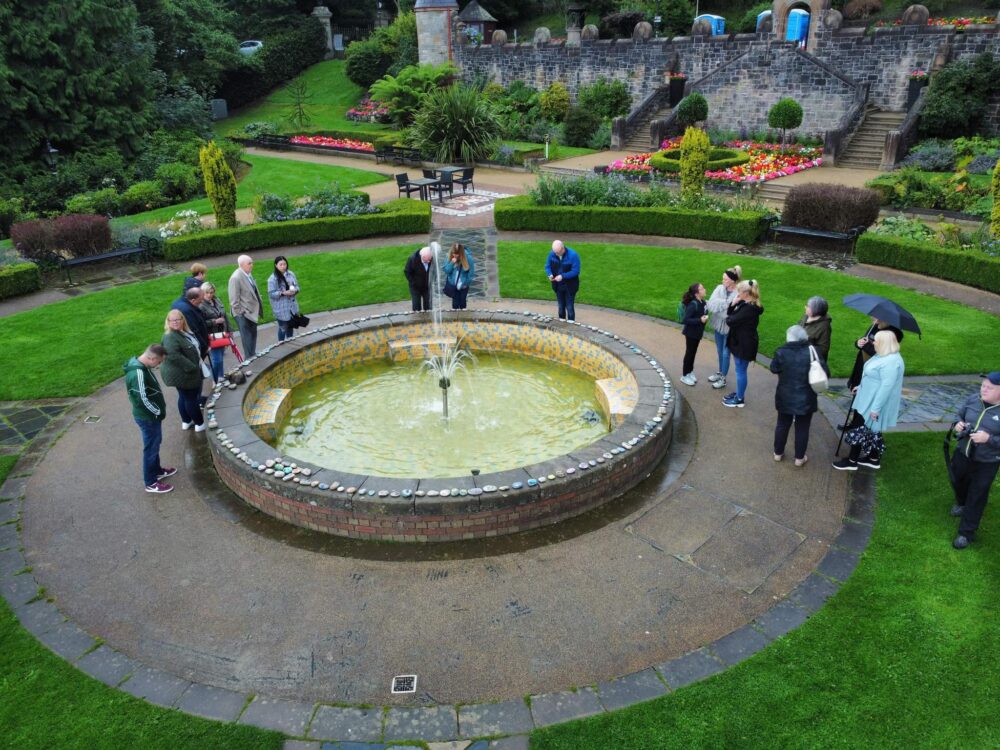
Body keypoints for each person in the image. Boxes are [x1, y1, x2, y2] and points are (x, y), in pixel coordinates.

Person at [833, 330, 904, 471]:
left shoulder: (891, 362)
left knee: (859, 428)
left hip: (872, 403)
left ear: (884, 343)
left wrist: (875, 409)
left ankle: (852, 461)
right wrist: (860, 387)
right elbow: (871, 375)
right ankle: (873, 459)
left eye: (875, 341)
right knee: (870, 430)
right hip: (867, 398)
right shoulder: (883, 355)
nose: (873, 343)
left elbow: (886, 387)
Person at [949, 371, 1000, 550]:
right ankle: (962, 503)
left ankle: (966, 533)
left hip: (986, 463)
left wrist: (988, 439)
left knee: (977, 495)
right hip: (962, 454)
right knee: (957, 481)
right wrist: (958, 424)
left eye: (989, 388)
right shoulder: (973, 399)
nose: (983, 390)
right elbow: (958, 416)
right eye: (983, 385)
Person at [770, 325, 829, 466]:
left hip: (785, 395)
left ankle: (778, 453)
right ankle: (799, 458)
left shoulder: (781, 351)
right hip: (806, 397)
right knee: (802, 427)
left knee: (782, 424)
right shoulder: (813, 351)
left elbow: (774, 368)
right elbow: (826, 372)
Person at [124, 344, 175, 494]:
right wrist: (157, 412)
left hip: (150, 417)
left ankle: (157, 471)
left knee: (155, 444)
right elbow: (142, 399)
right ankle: (151, 482)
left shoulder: (143, 367)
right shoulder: (138, 373)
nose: (158, 365)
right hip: (148, 418)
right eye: (159, 362)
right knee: (151, 449)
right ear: (152, 358)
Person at [841, 317, 904, 430]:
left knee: (866, 411)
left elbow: (881, 352)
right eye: (874, 319)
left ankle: (859, 429)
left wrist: (866, 346)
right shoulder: (875, 326)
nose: (875, 321)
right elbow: (866, 342)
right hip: (866, 369)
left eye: (878, 319)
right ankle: (855, 425)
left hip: (875, 376)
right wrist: (859, 343)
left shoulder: (893, 335)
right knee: (859, 400)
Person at [161, 311, 206, 433]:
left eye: (178, 319)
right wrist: (191, 367)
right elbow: (173, 355)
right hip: (184, 374)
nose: (176, 322)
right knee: (191, 399)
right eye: (173, 320)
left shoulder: (180, 333)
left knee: (184, 397)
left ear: (183, 320)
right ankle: (199, 424)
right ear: (168, 322)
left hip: (181, 373)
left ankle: (186, 421)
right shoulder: (170, 337)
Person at [722, 279, 764, 408]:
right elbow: (730, 314)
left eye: (739, 291)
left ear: (746, 293)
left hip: (744, 344)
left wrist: (734, 307)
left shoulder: (749, 309)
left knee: (740, 371)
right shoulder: (746, 304)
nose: (738, 293)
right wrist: (733, 304)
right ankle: (739, 393)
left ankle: (739, 399)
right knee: (740, 370)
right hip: (741, 342)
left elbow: (730, 320)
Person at [705, 265, 741, 391]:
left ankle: (723, 378)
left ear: (733, 280)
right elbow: (711, 305)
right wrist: (727, 304)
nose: (722, 281)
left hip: (730, 328)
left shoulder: (739, 293)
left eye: (725, 279)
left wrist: (720, 305)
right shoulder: (719, 288)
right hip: (718, 325)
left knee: (726, 353)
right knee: (720, 351)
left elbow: (731, 314)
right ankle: (720, 372)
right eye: (723, 278)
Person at [228, 254, 263, 358]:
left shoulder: (248, 274)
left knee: (253, 336)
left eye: (252, 263)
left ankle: (253, 355)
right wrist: (241, 313)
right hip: (243, 314)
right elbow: (234, 301)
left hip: (251, 312)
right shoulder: (235, 278)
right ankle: (249, 360)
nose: (252, 265)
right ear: (241, 265)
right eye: (249, 263)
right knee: (247, 339)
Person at [199, 281, 231, 382]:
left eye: (211, 292)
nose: (209, 295)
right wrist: (215, 321)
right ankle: (215, 380)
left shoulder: (217, 300)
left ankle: (220, 377)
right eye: (207, 292)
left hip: (222, 334)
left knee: (220, 357)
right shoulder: (200, 306)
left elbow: (225, 316)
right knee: (217, 360)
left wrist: (230, 330)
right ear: (202, 292)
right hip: (211, 336)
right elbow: (201, 324)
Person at [679, 282, 708, 387]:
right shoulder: (693, 304)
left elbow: (703, 313)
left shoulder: (702, 302)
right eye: (702, 289)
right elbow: (686, 320)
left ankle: (690, 371)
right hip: (691, 333)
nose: (704, 289)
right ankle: (684, 375)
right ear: (696, 293)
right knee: (689, 353)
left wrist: (703, 318)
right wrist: (700, 320)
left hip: (697, 333)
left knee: (693, 353)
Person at [267, 255, 301, 341]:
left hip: (292, 307)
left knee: (290, 327)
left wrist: (295, 290)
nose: (283, 266)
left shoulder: (291, 274)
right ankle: (281, 345)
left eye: (284, 264)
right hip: (281, 309)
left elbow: (297, 287)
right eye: (281, 265)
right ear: (276, 265)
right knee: (283, 328)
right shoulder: (272, 279)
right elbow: (271, 294)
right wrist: (283, 293)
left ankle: (290, 342)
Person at [171, 286, 209, 357]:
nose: (202, 302)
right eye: (200, 300)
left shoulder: (178, 302)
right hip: (195, 347)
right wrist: (204, 346)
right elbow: (194, 330)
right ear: (193, 300)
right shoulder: (187, 310)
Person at [798, 295, 832, 362]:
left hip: (810, 361)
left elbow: (823, 349)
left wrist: (805, 351)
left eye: (808, 306)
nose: (805, 307)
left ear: (815, 310)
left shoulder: (824, 327)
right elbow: (799, 325)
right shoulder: (806, 316)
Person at [443, 243, 475, 310]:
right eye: (454, 253)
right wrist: (452, 263)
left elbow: (471, 272)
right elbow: (446, 270)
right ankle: (455, 315)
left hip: (463, 284)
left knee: (462, 302)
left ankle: (463, 314)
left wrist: (466, 283)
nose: (455, 255)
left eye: (457, 254)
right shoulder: (449, 256)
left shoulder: (468, 257)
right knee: (455, 304)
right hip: (453, 284)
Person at [404, 246, 434, 312]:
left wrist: (432, 280)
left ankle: (428, 317)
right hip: (415, 287)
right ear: (422, 257)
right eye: (428, 260)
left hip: (427, 286)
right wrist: (413, 283)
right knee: (416, 306)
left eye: (430, 259)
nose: (429, 261)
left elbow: (434, 270)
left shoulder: (431, 258)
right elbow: (407, 272)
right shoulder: (412, 259)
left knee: (428, 305)